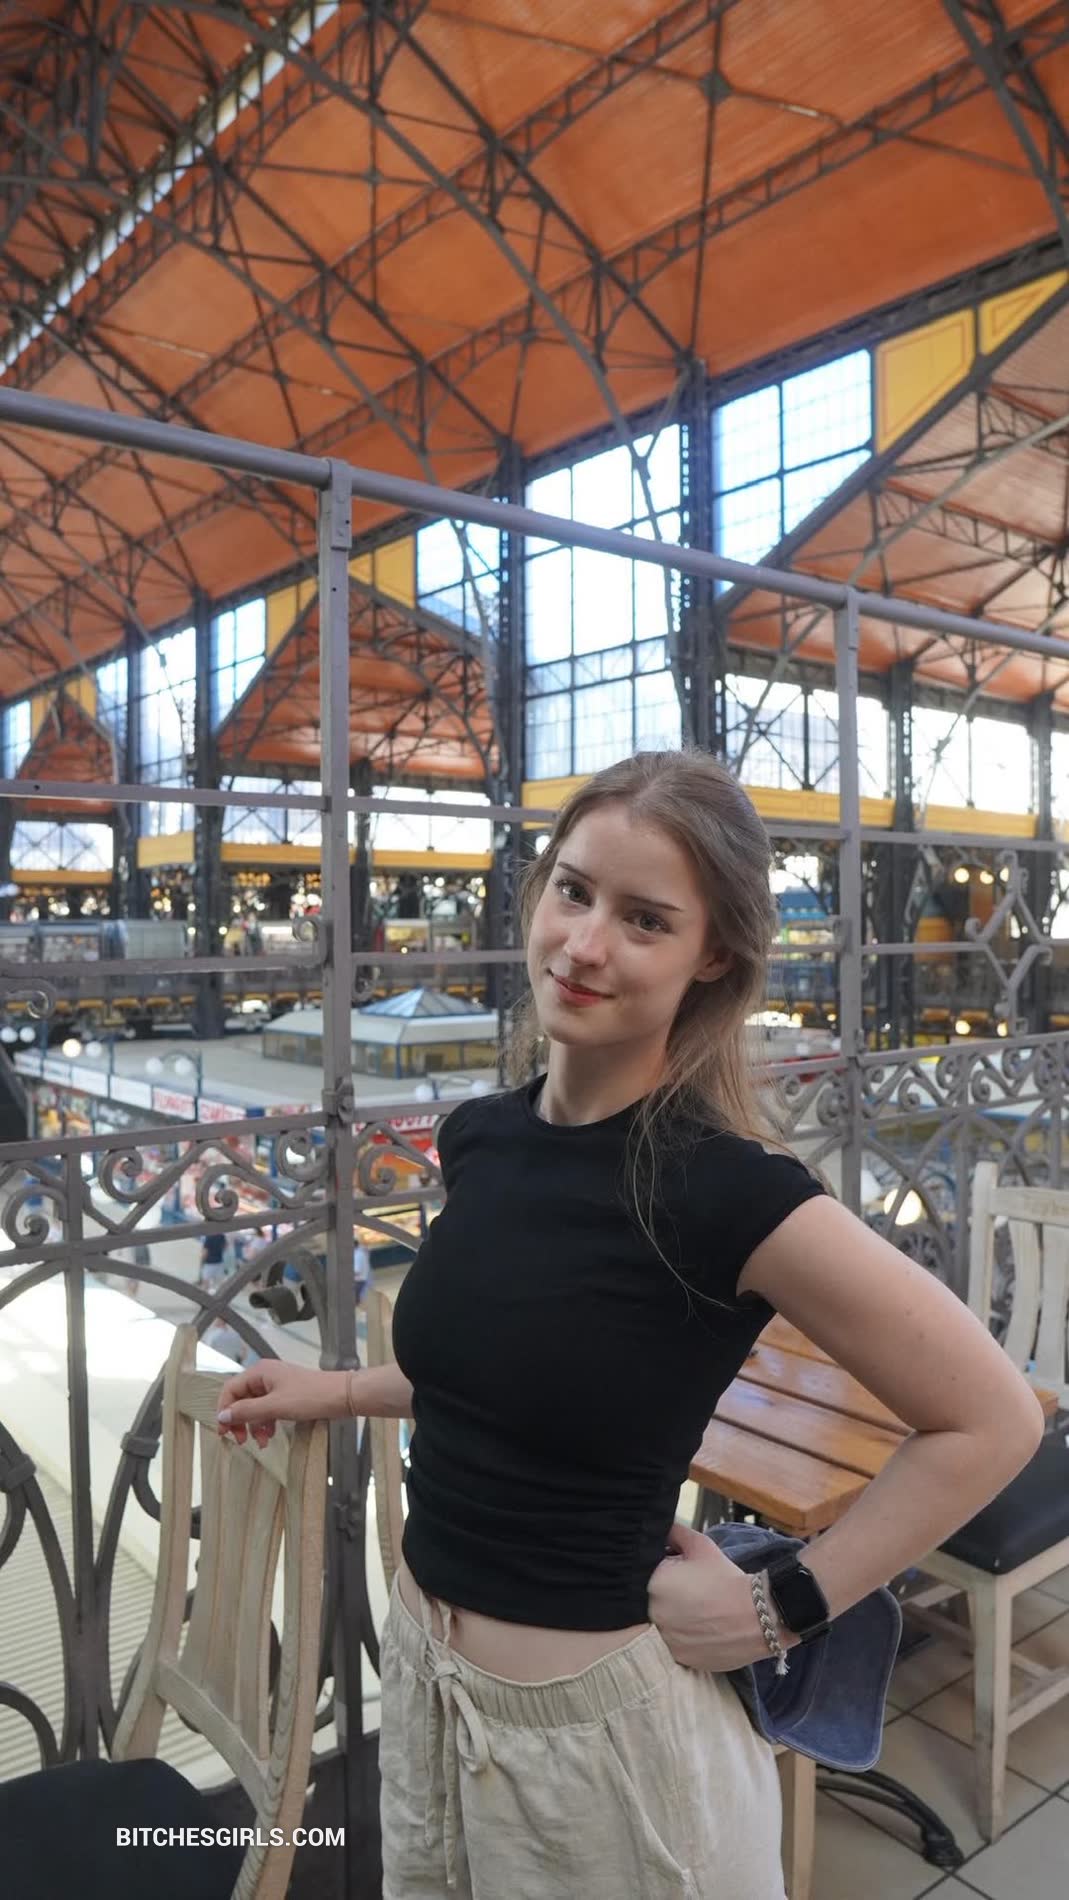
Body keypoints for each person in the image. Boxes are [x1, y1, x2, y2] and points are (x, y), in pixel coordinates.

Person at [217, 751, 1043, 1899]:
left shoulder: (727, 1192)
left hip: (598, 1755)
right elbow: (520, 1365)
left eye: (644, 919)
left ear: (713, 957)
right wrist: (344, 1388)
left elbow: (991, 1418)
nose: (584, 944)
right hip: (426, 1689)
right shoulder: (484, 1137)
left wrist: (782, 1606)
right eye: (573, 890)